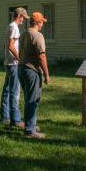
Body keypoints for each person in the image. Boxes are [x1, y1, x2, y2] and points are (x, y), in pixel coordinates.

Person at [18, 11, 51, 139]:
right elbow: (42, 56)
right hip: (31, 70)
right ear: (37, 22)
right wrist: (47, 75)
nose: (43, 24)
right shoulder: (38, 36)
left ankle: (31, 124)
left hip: (21, 68)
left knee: (29, 99)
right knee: (32, 100)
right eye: (42, 22)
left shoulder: (24, 34)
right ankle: (30, 131)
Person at [0, 7, 28, 128]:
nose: (24, 21)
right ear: (19, 16)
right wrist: (19, 58)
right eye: (23, 18)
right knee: (14, 92)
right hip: (13, 64)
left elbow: (5, 45)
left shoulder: (9, 26)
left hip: (8, 62)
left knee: (7, 90)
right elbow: (11, 46)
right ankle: (15, 120)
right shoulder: (14, 27)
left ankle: (4, 117)